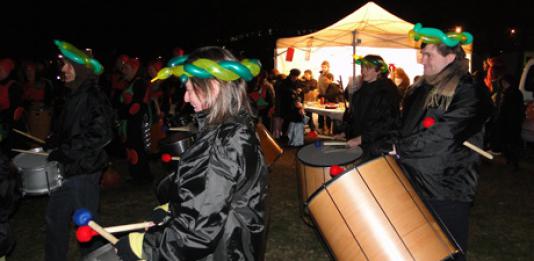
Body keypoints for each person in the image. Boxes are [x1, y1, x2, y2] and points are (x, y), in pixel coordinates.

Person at [116, 46, 269, 260]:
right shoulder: (231, 128)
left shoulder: (227, 140)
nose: (186, 98)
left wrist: (146, 249)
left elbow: (199, 231)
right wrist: (171, 210)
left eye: (190, 89)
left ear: (214, 85)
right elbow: (212, 196)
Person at [395, 25, 493, 261]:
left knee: (447, 251)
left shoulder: (470, 90)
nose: (422, 60)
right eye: (422, 54)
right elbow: (404, 128)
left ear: (450, 57)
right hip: (413, 180)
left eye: (428, 55)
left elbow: (446, 133)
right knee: (418, 250)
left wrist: (401, 148)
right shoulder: (420, 87)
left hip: (445, 187)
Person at [44, 40, 114, 261]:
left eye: (66, 64)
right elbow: (72, 130)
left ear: (79, 68)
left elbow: (101, 134)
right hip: (67, 170)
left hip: (84, 170)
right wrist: (55, 143)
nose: (62, 69)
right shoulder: (72, 94)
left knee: (87, 228)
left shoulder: (93, 96)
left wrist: (67, 151)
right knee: (55, 219)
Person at [343, 55, 400, 161]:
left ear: (378, 71)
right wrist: (346, 132)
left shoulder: (387, 91)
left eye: (367, 68)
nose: (363, 71)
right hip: (361, 145)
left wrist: (361, 139)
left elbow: (386, 123)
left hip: (376, 147)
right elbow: (356, 116)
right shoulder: (362, 88)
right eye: (362, 67)